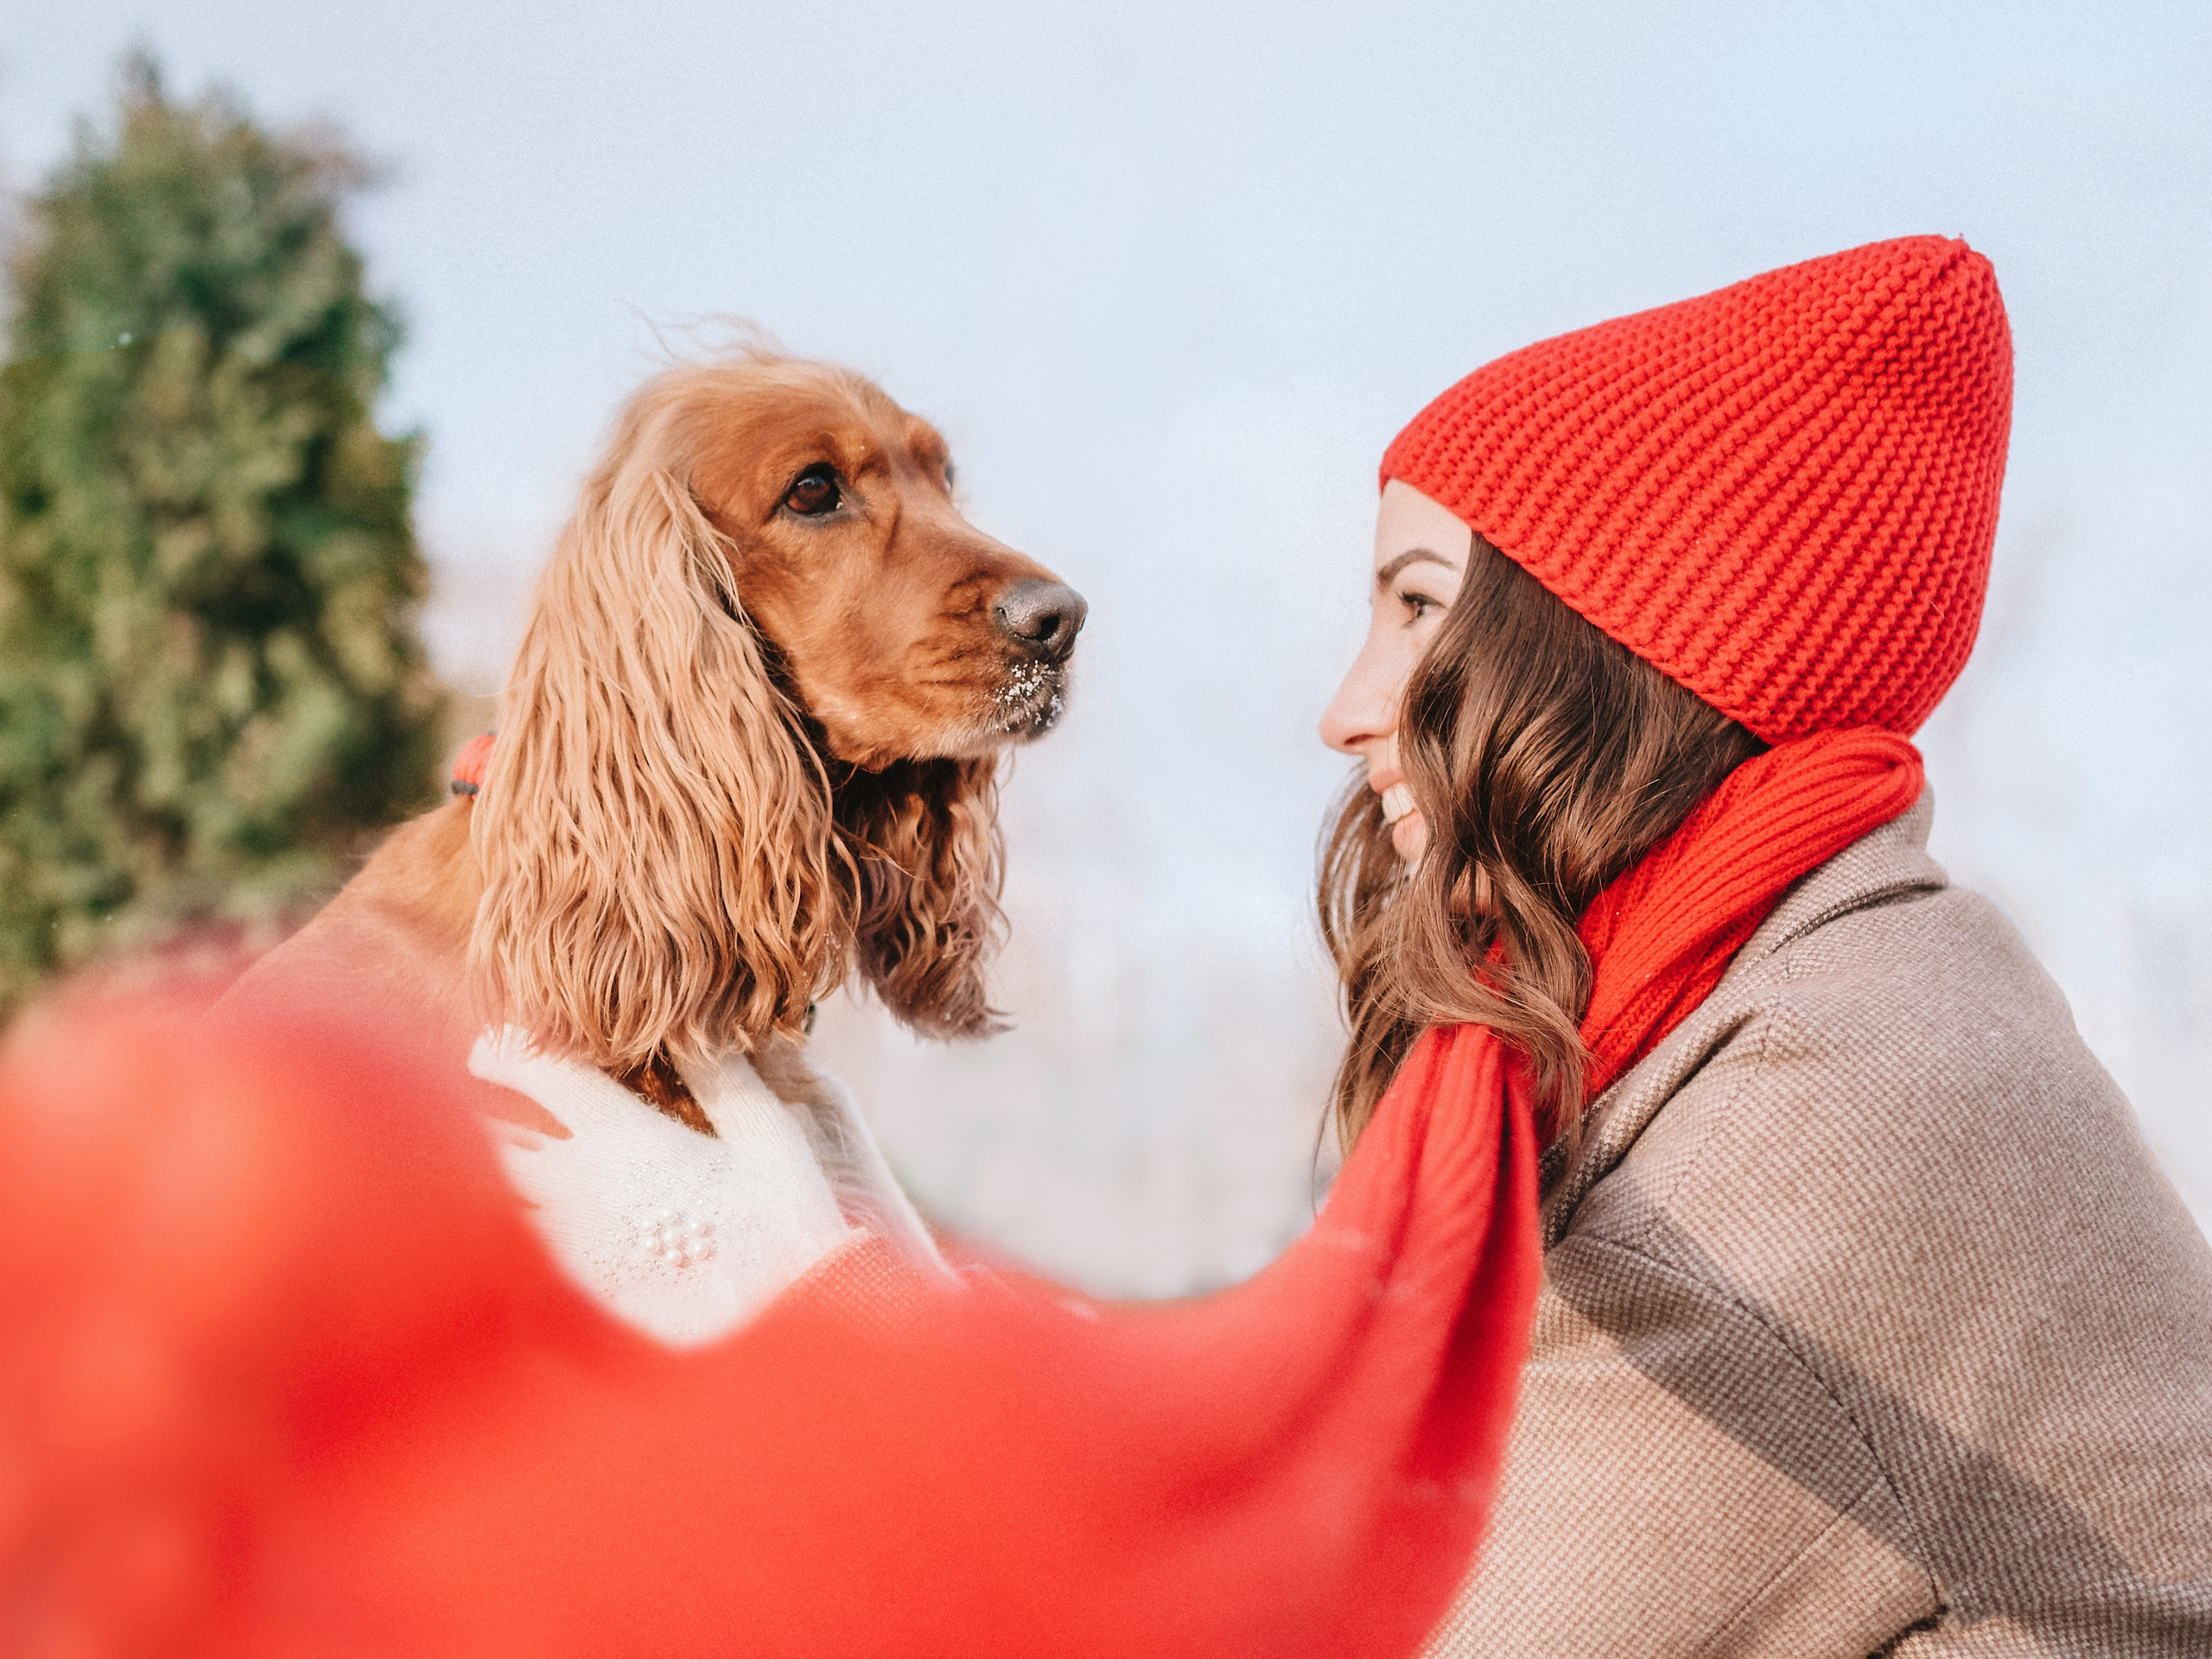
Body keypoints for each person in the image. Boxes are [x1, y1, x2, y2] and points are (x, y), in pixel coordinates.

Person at [1318, 234, 2212, 1653]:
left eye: (1418, 605)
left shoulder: (1829, 1108)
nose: (1351, 707)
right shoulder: (1815, 993)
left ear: (1605, 639)